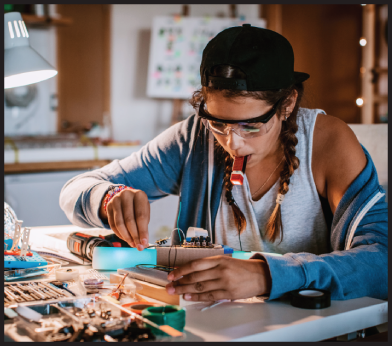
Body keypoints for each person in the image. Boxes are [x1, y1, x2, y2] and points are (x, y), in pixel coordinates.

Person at [60, 24, 387, 302]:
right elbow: (75, 190)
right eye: (219, 124)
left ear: (287, 103)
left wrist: (267, 275)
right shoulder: (193, 137)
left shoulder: (328, 142)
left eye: (251, 126)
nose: (233, 143)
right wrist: (108, 199)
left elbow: (382, 260)